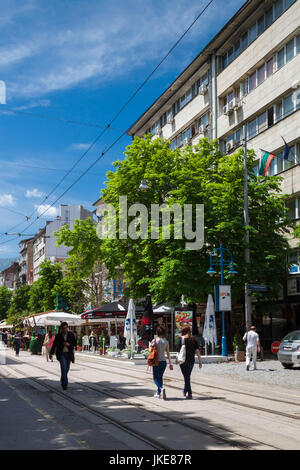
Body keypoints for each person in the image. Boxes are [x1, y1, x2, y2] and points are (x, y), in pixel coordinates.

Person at [49, 322, 76, 390]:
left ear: (67, 327)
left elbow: (74, 343)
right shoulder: (58, 335)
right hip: (61, 354)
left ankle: (63, 378)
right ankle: (64, 384)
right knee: (64, 367)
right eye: (63, 328)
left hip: (69, 354)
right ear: (61, 329)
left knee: (67, 368)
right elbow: (54, 344)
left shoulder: (71, 334)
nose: (65, 329)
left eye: (66, 328)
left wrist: (69, 344)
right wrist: (51, 353)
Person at [177, 326, 202, 400]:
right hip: (191, 361)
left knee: (186, 376)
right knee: (187, 376)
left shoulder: (181, 339)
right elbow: (197, 351)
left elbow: (178, 350)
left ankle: (190, 393)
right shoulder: (193, 339)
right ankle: (185, 391)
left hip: (183, 360)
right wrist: (200, 361)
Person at [150, 326, 173, 399]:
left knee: (155, 378)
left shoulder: (155, 341)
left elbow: (150, 350)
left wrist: (149, 345)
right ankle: (158, 393)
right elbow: (168, 353)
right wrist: (170, 362)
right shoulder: (166, 341)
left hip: (156, 361)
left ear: (157, 333)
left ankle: (161, 388)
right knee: (160, 377)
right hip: (163, 362)